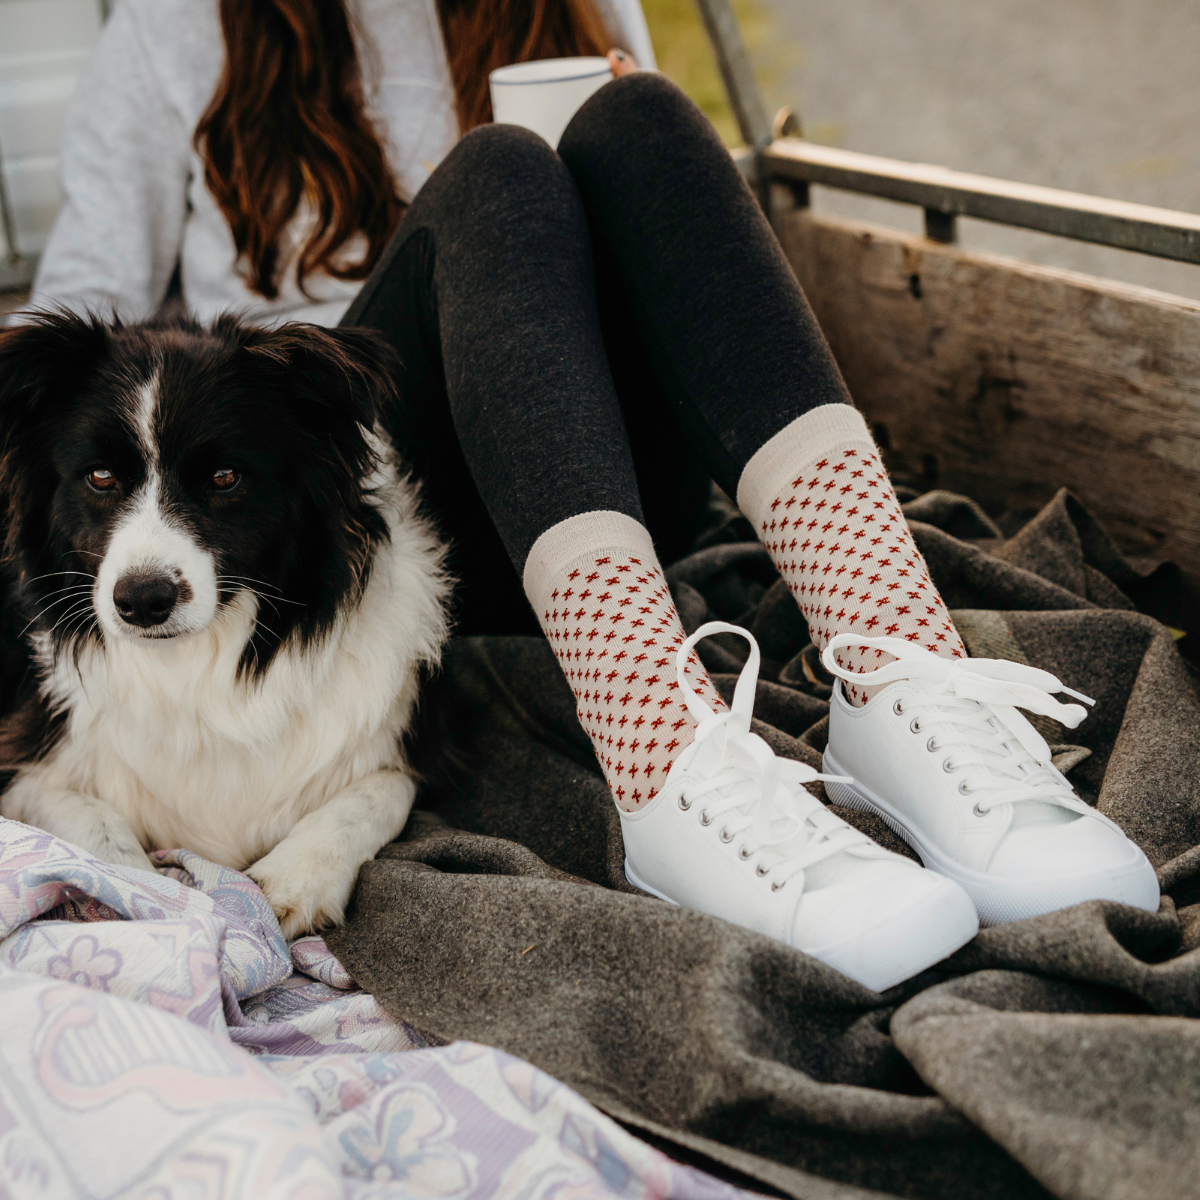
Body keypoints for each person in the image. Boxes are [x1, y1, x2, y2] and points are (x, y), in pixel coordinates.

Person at [27, 0, 1159, 989]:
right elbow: (72, 332)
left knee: (642, 119)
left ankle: (900, 672)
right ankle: (659, 750)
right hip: (333, 488)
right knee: (502, 170)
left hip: (588, 477)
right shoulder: (182, 25)